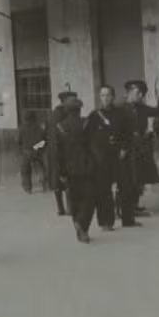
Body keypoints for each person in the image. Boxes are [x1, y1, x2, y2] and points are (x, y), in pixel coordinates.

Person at [116, 80, 159, 226]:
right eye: (137, 92)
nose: (140, 95)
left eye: (142, 93)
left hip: (140, 147)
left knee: (139, 178)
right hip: (127, 148)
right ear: (128, 93)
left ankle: (133, 207)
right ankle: (121, 209)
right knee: (126, 181)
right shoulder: (120, 108)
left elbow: (157, 111)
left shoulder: (141, 108)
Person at [55, 97, 96, 243]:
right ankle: (82, 225)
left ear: (66, 110)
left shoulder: (59, 127)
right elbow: (94, 146)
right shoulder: (86, 123)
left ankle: (79, 227)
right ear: (79, 109)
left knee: (75, 198)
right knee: (90, 198)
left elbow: (57, 152)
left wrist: (60, 172)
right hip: (87, 167)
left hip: (69, 169)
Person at [85, 85, 124, 232]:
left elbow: (126, 134)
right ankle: (106, 221)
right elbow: (87, 137)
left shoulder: (120, 114)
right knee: (103, 190)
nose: (105, 98)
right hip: (101, 159)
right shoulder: (94, 116)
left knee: (121, 187)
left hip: (117, 156)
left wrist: (124, 148)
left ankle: (123, 215)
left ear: (113, 96)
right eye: (102, 95)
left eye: (108, 95)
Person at [46, 92, 78, 216]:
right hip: (64, 151)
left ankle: (60, 208)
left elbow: (44, 137)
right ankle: (70, 208)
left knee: (56, 179)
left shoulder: (51, 115)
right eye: (72, 100)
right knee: (68, 178)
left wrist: (39, 147)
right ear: (64, 101)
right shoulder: (66, 115)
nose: (74, 103)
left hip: (52, 152)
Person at [18, 111, 47, 194]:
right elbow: (44, 141)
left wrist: (21, 150)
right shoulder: (39, 128)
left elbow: (19, 141)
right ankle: (43, 183)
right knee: (39, 167)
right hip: (36, 151)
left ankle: (28, 188)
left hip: (26, 151)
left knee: (25, 170)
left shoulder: (22, 128)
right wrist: (37, 148)